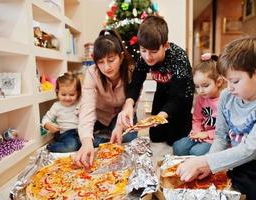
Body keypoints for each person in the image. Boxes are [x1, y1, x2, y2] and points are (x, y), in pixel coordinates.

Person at [176, 37, 256, 200]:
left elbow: (251, 148)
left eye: (234, 81)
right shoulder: (227, 96)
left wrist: (206, 161)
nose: (229, 88)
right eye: (227, 81)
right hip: (240, 160)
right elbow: (221, 136)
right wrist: (210, 165)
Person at [117, 15, 194, 146]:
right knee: (156, 137)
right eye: (143, 50)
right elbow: (135, 84)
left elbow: (177, 97)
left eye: (153, 51)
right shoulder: (143, 58)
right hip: (162, 92)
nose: (148, 57)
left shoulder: (179, 58)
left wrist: (159, 117)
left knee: (174, 142)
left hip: (182, 97)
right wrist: (129, 105)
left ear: (165, 45)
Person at [75, 29, 136, 167]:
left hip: (122, 116)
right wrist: (86, 142)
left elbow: (132, 105)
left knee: (129, 140)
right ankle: (102, 137)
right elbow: (87, 108)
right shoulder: (92, 73)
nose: (106, 67)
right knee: (84, 141)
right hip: (100, 116)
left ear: (120, 57)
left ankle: (105, 136)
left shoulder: (131, 71)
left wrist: (120, 127)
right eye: (100, 62)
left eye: (111, 60)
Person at [173, 53, 224, 156]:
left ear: (218, 82)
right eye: (197, 86)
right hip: (201, 134)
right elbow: (197, 118)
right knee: (178, 147)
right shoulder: (201, 98)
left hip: (217, 137)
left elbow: (226, 129)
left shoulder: (225, 100)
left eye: (205, 86)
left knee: (196, 152)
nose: (200, 91)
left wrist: (206, 134)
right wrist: (196, 131)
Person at [42, 72, 82, 152]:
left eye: (72, 94)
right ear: (57, 93)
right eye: (63, 95)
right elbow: (45, 119)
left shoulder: (80, 103)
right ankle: (50, 147)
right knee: (72, 146)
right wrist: (47, 125)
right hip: (65, 134)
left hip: (81, 131)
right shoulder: (57, 106)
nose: (67, 98)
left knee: (94, 141)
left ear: (78, 93)